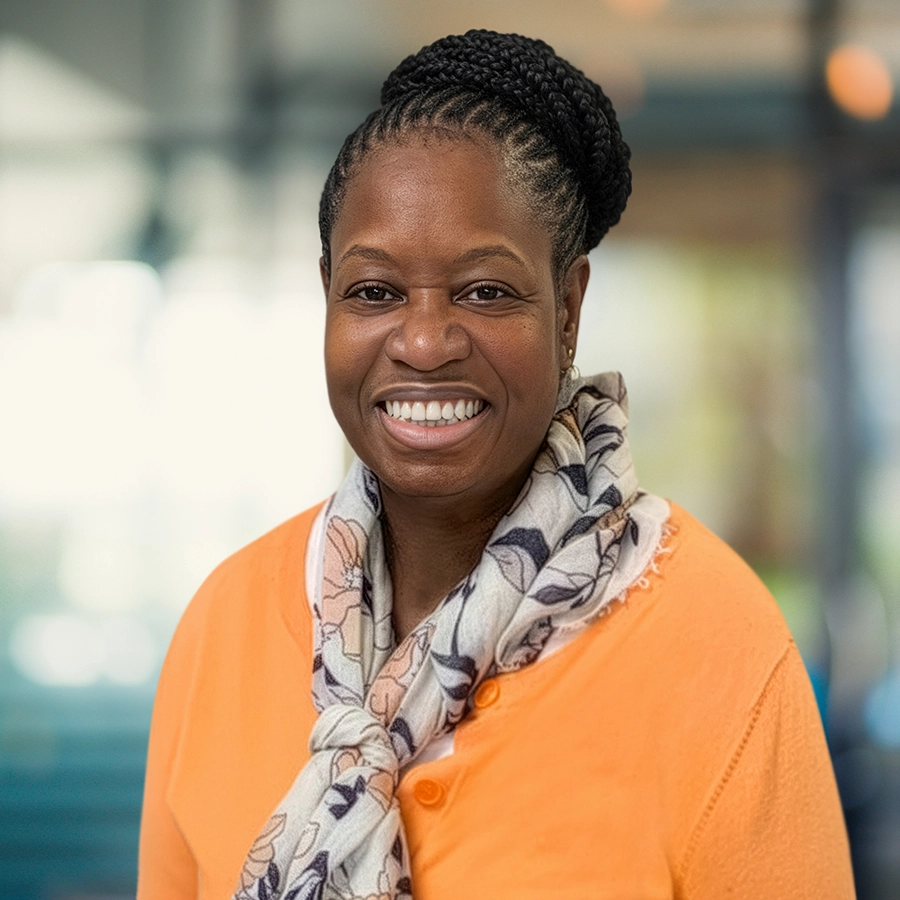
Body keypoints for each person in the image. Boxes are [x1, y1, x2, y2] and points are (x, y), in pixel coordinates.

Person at [138, 30, 855, 900]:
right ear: (325, 294)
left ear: (567, 308)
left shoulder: (717, 642)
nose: (426, 339)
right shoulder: (226, 623)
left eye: (485, 291)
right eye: (374, 292)